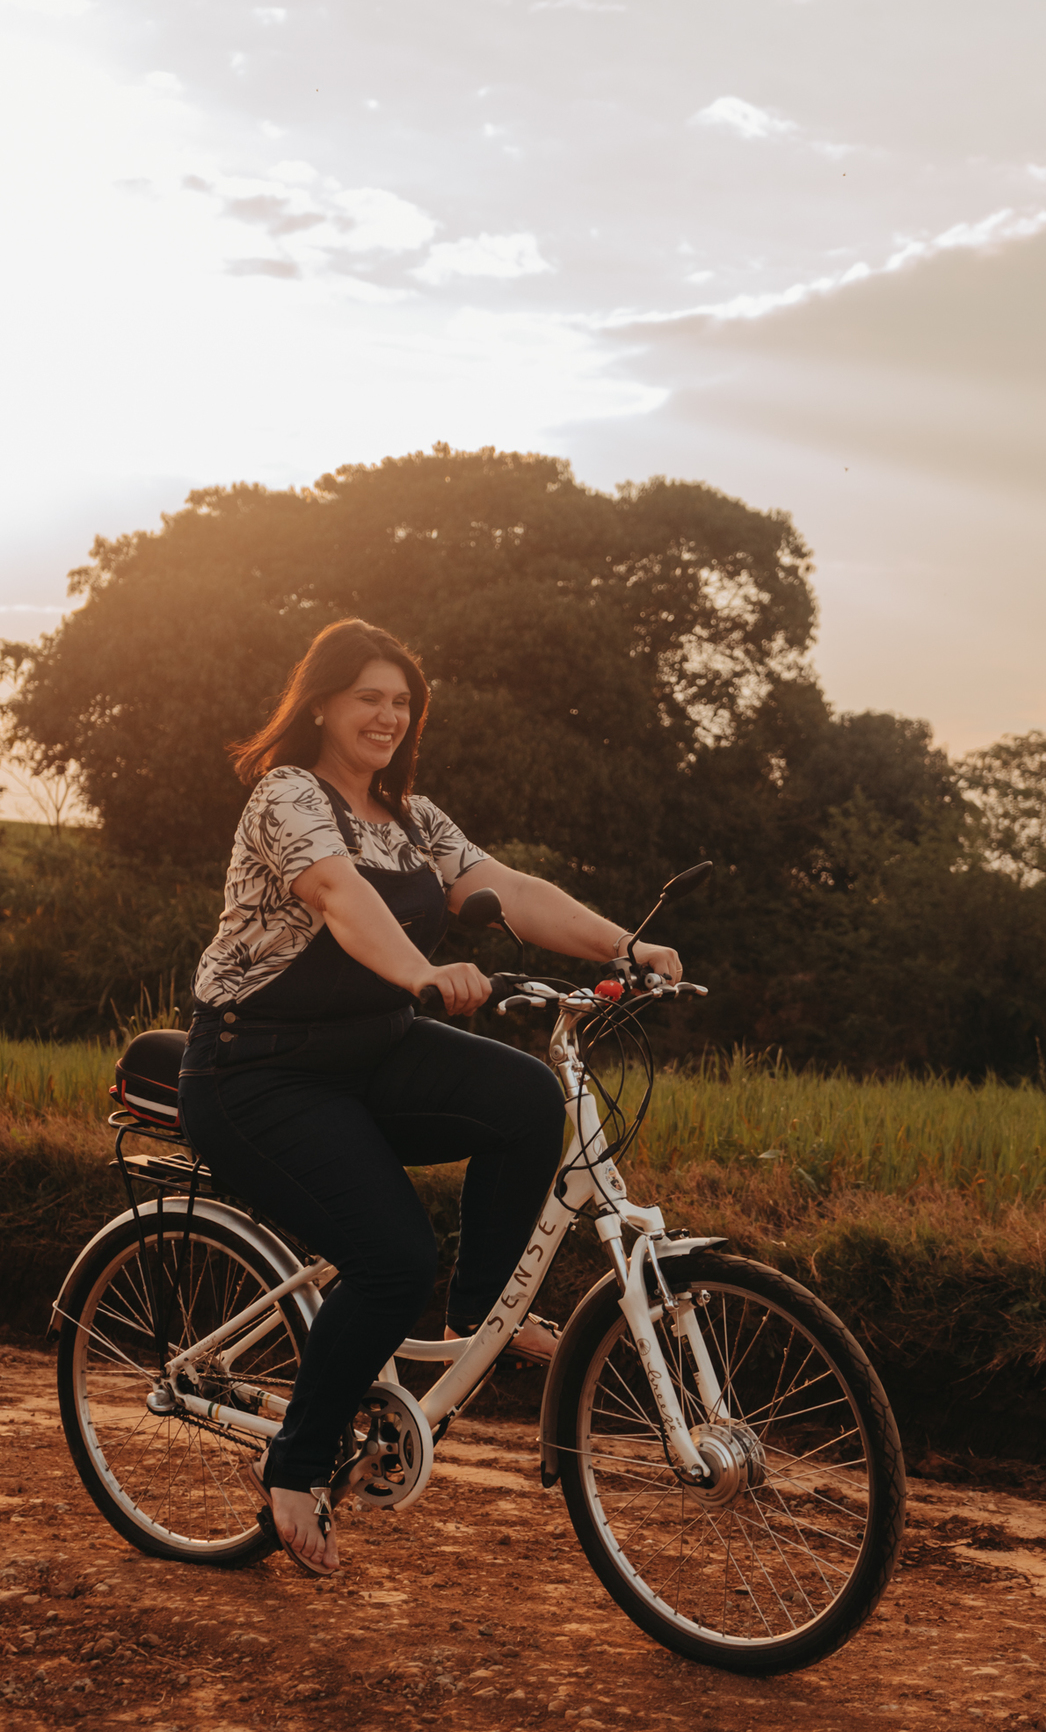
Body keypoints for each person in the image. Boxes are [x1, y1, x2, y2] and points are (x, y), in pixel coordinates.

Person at [178, 618, 680, 1578]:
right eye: (369, 696)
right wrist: (421, 971)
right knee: (391, 1257)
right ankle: (293, 1468)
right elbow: (335, 895)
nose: (387, 716)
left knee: (527, 1099)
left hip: (368, 1053)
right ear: (321, 702)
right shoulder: (287, 795)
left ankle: (480, 1310)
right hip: (256, 1070)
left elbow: (512, 890)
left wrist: (627, 948)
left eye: (402, 703)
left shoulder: (413, 816)